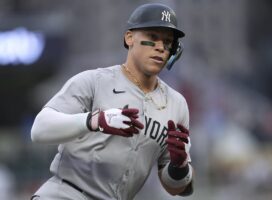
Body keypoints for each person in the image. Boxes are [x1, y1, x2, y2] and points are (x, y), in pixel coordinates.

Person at [30, 3, 194, 200]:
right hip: (66, 194)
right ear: (129, 37)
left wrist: (179, 167)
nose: (160, 47)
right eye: (152, 38)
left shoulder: (177, 105)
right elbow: (39, 129)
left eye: (168, 42)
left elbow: (176, 189)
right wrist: (93, 121)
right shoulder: (94, 81)